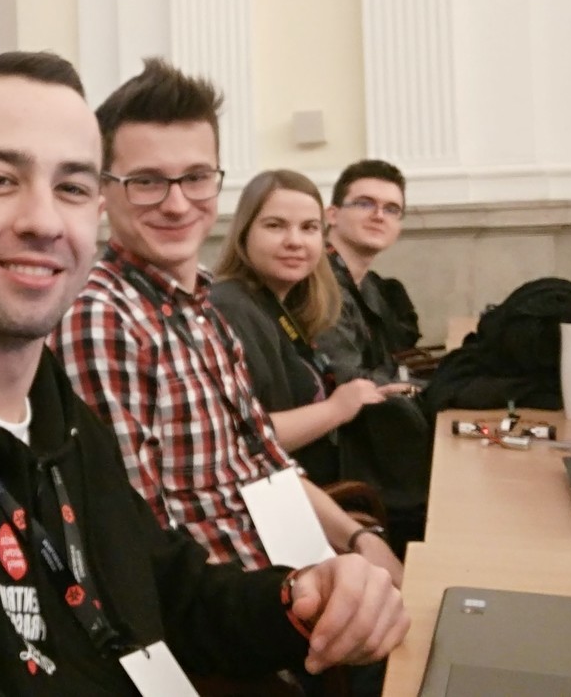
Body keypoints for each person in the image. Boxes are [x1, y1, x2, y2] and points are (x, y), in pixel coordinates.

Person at [0, 51, 407, 694]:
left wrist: (303, 596)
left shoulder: (59, 415)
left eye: (72, 188)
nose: (43, 221)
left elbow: (170, 589)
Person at [51, 59, 404, 585]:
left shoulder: (203, 305)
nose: (177, 204)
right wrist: (301, 599)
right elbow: (144, 547)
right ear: (104, 191)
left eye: (196, 178)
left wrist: (359, 541)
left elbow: (266, 462)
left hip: (293, 571)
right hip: (245, 605)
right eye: (146, 181)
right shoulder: (102, 318)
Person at [211, 170, 411, 486]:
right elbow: (235, 441)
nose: (294, 241)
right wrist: (338, 408)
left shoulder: (282, 304)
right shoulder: (231, 307)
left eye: (309, 228)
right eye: (275, 225)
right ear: (244, 233)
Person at [316, 159, 422, 385]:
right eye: (365, 204)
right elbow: (346, 378)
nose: (379, 215)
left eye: (391, 209)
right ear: (332, 215)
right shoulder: (319, 281)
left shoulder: (368, 285)